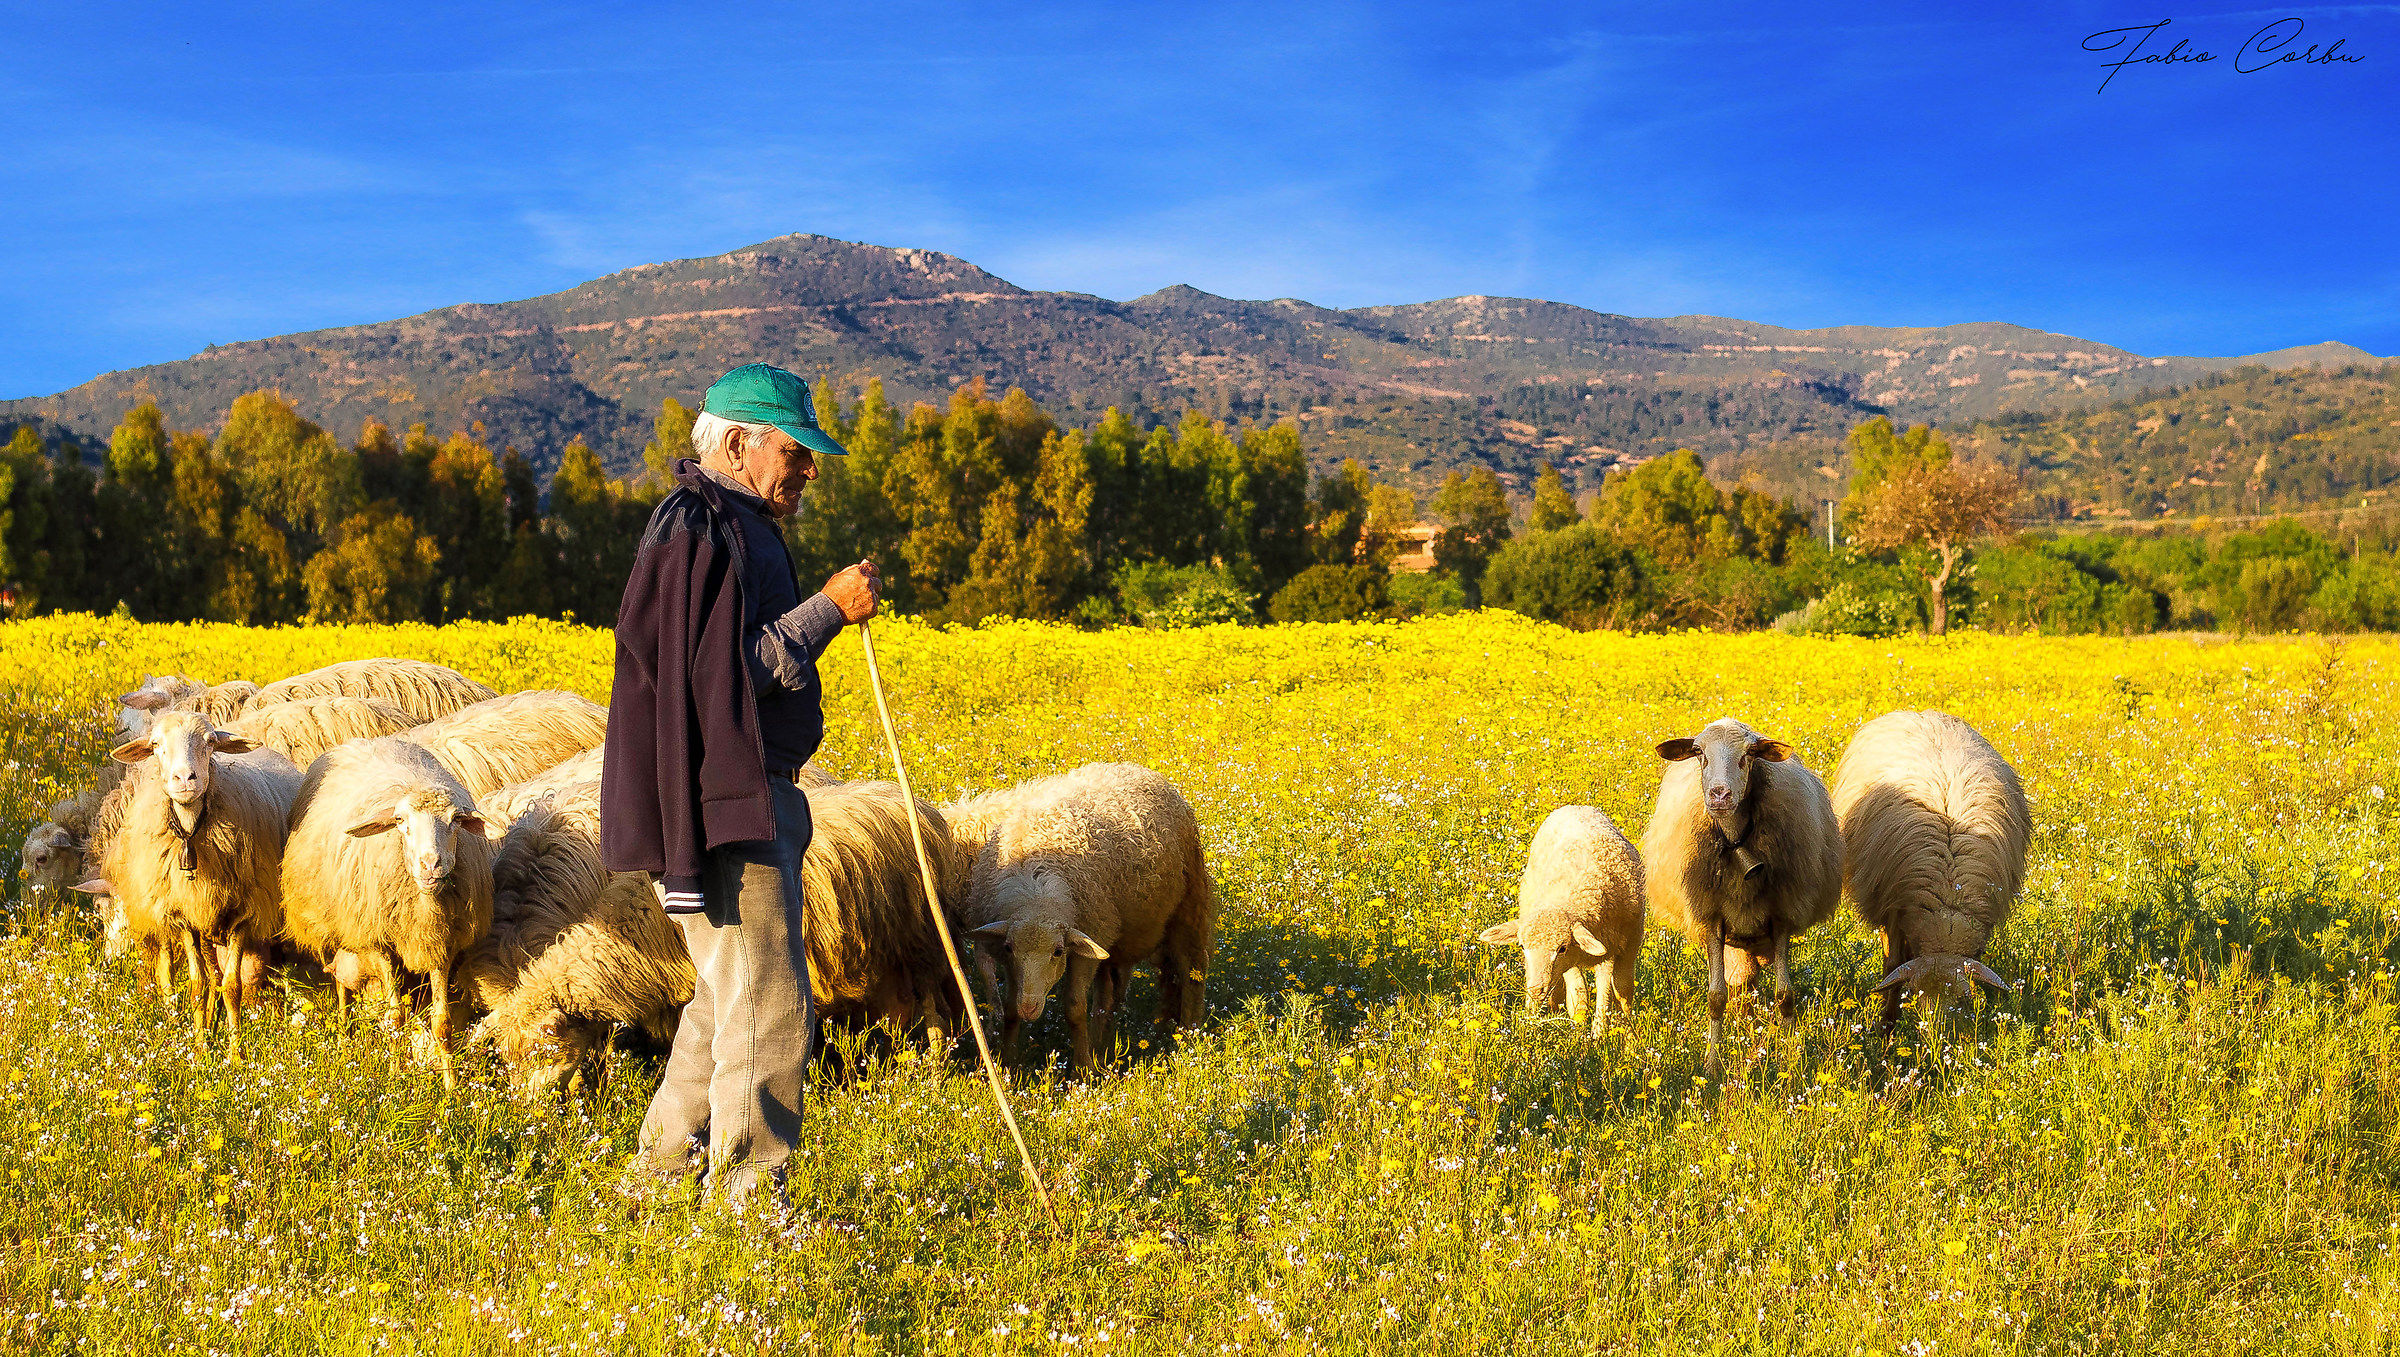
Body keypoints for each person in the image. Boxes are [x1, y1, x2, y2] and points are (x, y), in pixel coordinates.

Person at [600, 362, 880, 1203]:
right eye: (796, 451)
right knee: (770, 1006)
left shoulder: (718, 523)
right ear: (736, 443)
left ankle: (658, 1173)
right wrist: (828, 607)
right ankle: (752, 1200)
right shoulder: (701, 526)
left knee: (728, 996)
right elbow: (720, 673)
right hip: (732, 803)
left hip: (735, 798)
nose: (809, 470)